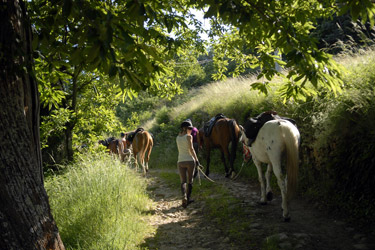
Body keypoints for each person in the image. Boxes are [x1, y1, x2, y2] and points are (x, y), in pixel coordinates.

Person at [176, 119, 200, 208]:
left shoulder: (177, 137)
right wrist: (197, 160)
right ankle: (188, 199)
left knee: (183, 181)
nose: (191, 130)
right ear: (185, 128)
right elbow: (191, 149)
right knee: (190, 181)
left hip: (180, 161)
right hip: (190, 161)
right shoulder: (189, 137)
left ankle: (184, 196)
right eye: (189, 128)